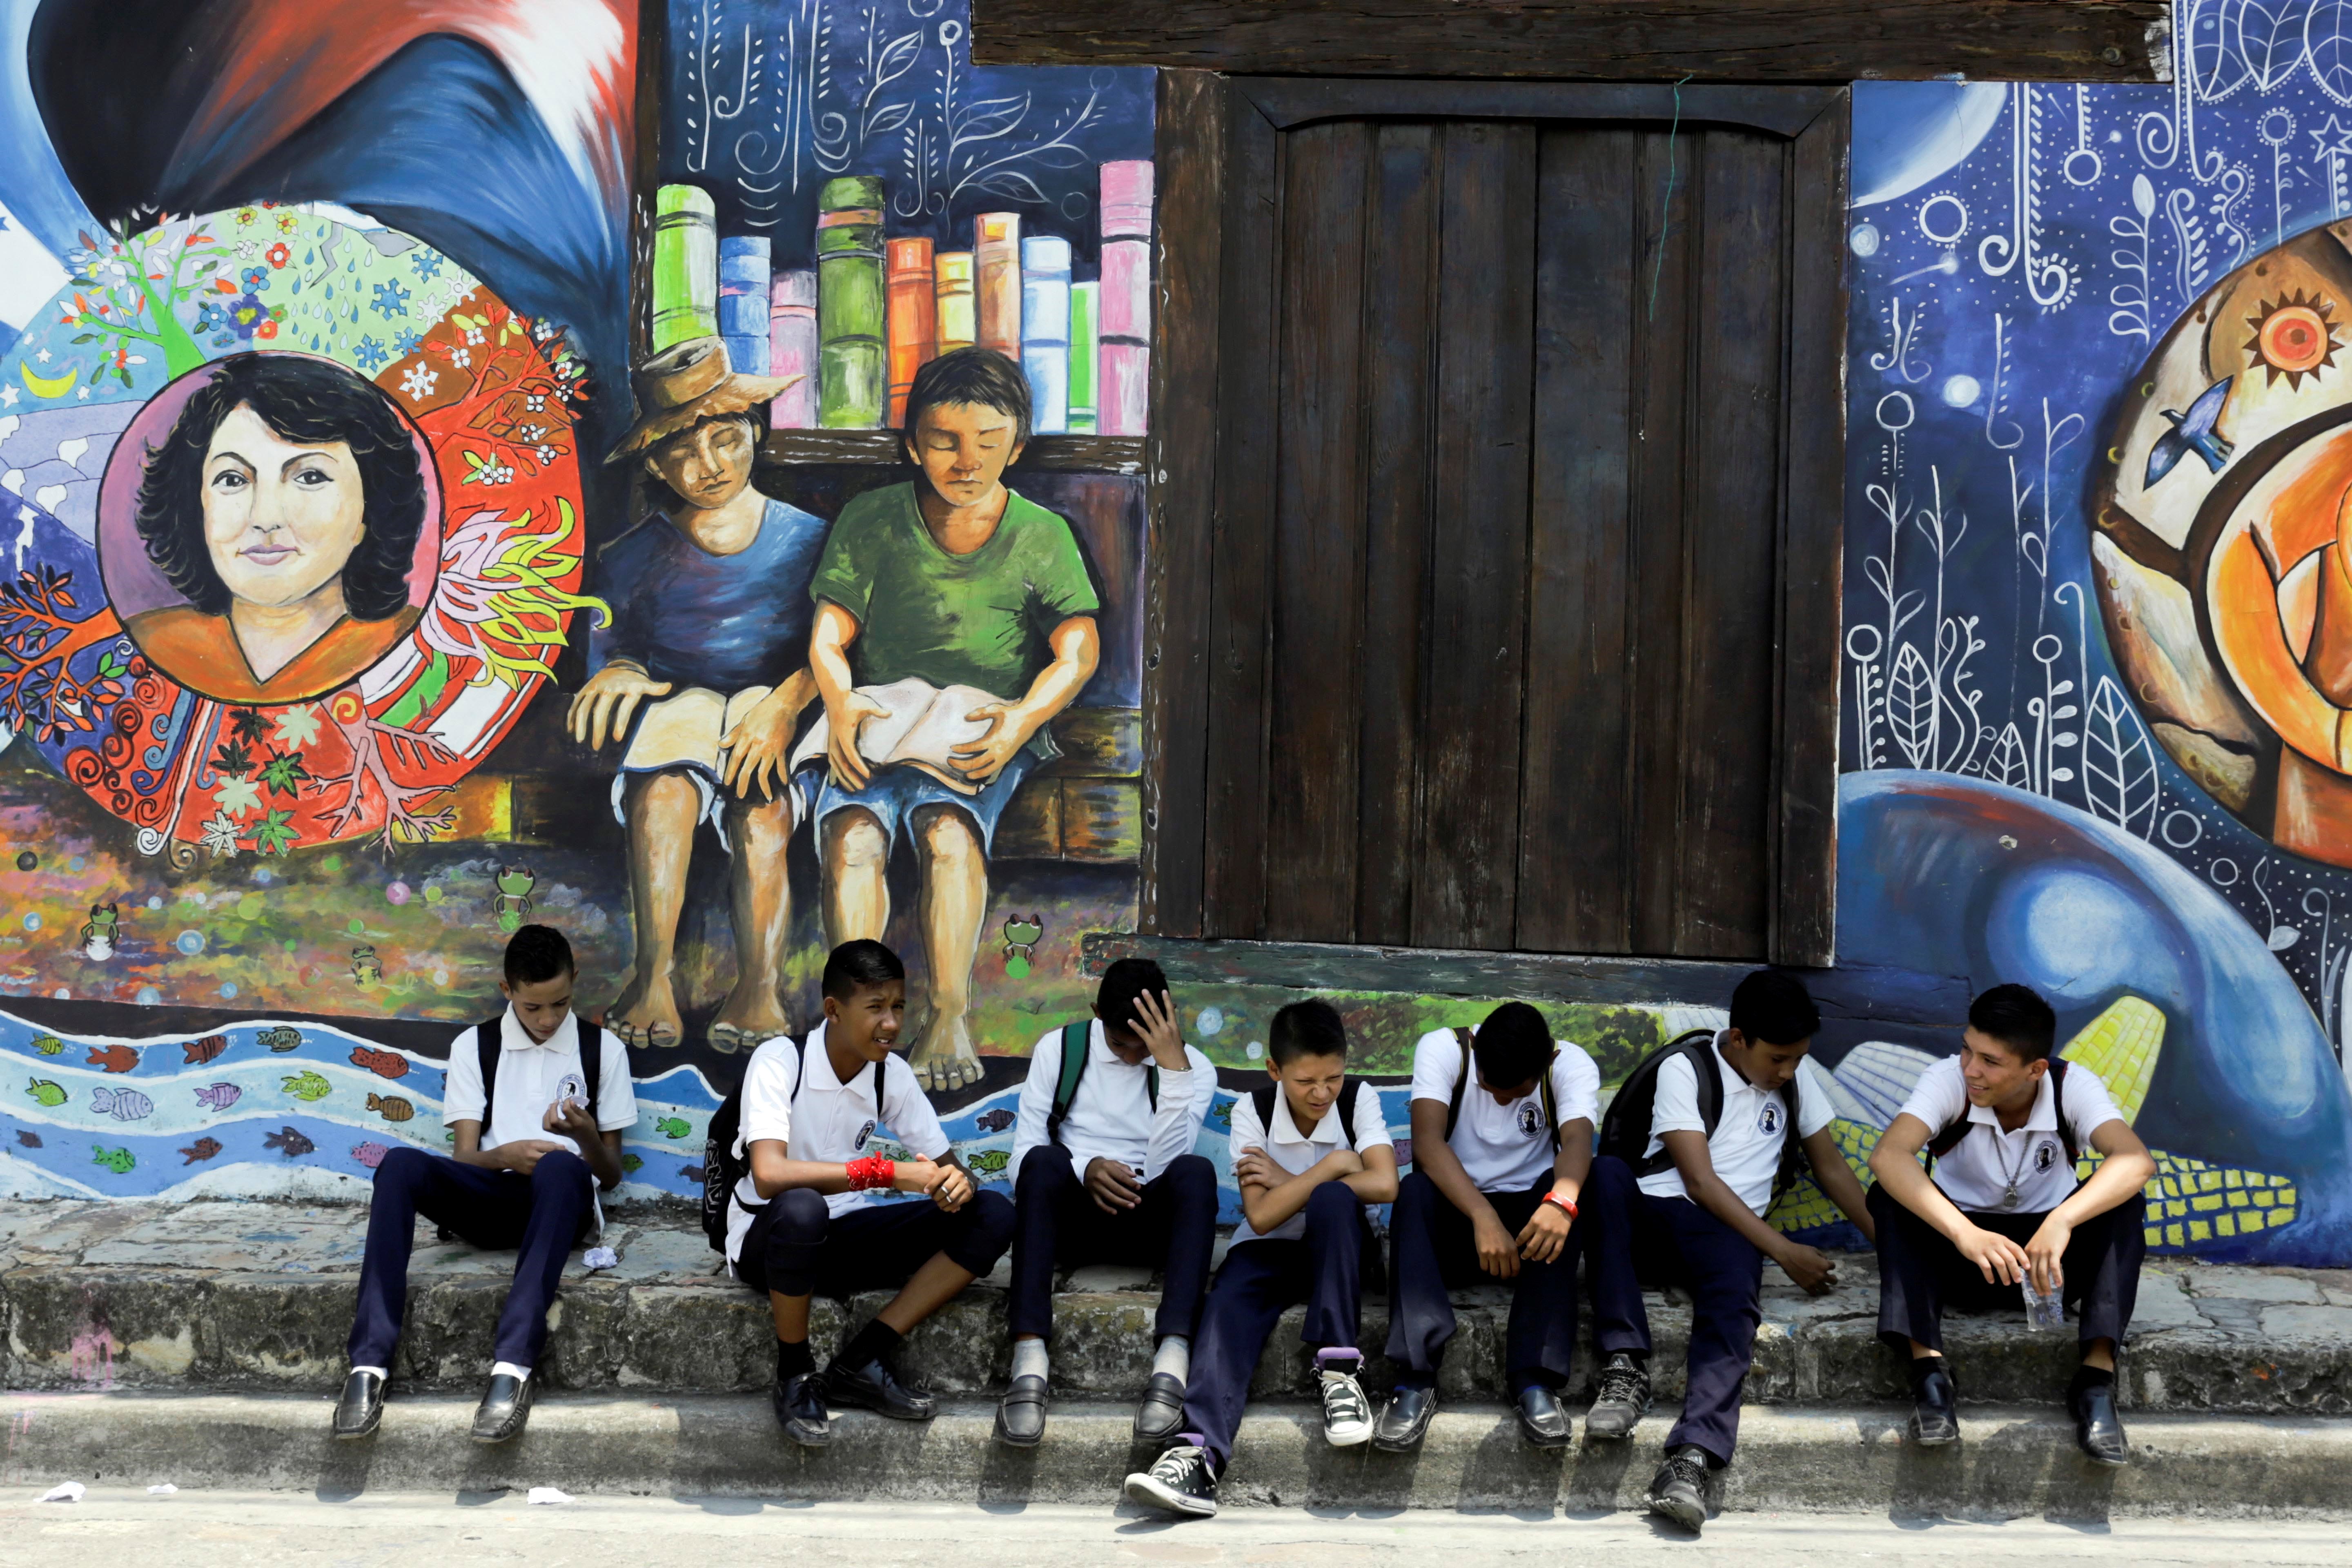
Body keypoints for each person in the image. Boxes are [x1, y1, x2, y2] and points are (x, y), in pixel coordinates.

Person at [802, 347, 1101, 1091]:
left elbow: (1078, 650)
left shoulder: (1041, 534)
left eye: (988, 442)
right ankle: (858, 1020)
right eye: (945, 442)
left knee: (946, 835)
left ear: (1018, 445)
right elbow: (830, 637)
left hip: (979, 726)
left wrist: (1022, 721)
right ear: (913, 446)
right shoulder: (871, 520)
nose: (966, 461)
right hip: (882, 720)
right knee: (853, 839)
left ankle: (948, 1015)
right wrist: (839, 703)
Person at [575, 336, 826, 1052]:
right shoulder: (633, 556)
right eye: (684, 451)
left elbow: (834, 650)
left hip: (778, 704)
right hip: (681, 707)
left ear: (757, 434)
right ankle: (654, 975)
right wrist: (619, 671)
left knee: (763, 796)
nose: (709, 466)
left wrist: (784, 705)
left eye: (727, 439)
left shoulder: (811, 541)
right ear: (654, 462)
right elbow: (614, 648)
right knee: (664, 787)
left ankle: (759, 987)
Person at [1581, 970, 1876, 1535]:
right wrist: (1785, 1252)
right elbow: (1698, 1181)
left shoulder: (1795, 1076)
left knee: (1734, 1306)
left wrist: (1892, 1248)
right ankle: (1625, 1365)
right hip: (1657, 1218)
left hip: (1727, 1234)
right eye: (1778, 1059)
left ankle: (1692, 1461)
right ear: (1739, 1039)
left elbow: (1832, 1167)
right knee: (1606, 1176)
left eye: (1798, 1059)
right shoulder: (1685, 1069)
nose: (1788, 1071)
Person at [333, 923, 634, 1444]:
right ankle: (368, 1365)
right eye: (533, 1007)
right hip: (490, 1197)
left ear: (575, 983)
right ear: (507, 992)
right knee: (400, 1165)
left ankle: (512, 1368)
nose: (547, 1019)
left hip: (561, 1204)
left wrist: (585, 1136)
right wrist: (506, 1157)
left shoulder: (603, 1050)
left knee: (563, 1166)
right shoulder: (476, 1046)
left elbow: (610, 1177)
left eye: (560, 1004)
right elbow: (466, 1158)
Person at [724, 939, 1015, 1448]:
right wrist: (884, 1173)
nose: (892, 1024)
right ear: (833, 1010)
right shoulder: (779, 1060)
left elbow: (952, 1170)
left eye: (899, 1007)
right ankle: (795, 1374)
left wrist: (954, 1186)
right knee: (801, 1207)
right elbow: (768, 1174)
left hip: (846, 1238)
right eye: (876, 1008)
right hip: (771, 1245)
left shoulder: (892, 1074)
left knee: (991, 1213)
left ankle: (859, 1362)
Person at [1123, 1000, 1398, 1520]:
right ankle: (1196, 1455)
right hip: (1266, 1251)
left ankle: (1340, 1373)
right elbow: (1263, 1217)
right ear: (1275, 1071)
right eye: (1305, 1082)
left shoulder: (1359, 1099)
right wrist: (1336, 1165)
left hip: (1338, 1253)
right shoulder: (1255, 1110)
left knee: (1335, 1202)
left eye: (1332, 1079)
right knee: (1225, 1305)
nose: (1322, 1094)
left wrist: (1294, 1183)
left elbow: (1385, 1184)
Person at [1865, 983, 2154, 1467]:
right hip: (1962, 1259)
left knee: (2124, 1204)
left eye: (1991, 1062)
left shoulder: (2071, 1086)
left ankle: (2096, 1382)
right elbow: (1888, 1156)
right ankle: (1929, 1374)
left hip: (2048, 1267)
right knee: (1890, 1198)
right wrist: (1964, 1233)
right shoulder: (1948, 1081)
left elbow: (2135, 1160)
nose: (1972, 1070)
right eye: (1967, 1050)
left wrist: (2063, 1220)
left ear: (2035, 1069)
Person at [997, 957, 1217, 1447]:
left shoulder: (1193, 1068)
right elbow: (1019, 1161)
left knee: (1197, 1173)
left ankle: (1173, 1361)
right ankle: (1029, 1361)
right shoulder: (1060, 1049)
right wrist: (1084, 1168)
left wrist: (1173, 1069)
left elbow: (1168, 1166)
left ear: (1168, 1016)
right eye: (1121, 1045)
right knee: (1042, 1161)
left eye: (1147, 1045)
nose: (1135, 1056)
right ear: (1097, 1014)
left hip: (1147, 1222)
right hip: (1074, 1222)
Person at [128, 351, 428, 703]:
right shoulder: (140, 654)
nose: (265, 517)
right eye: (232, 479)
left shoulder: (425, 649)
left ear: (369, 509)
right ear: (195, 506)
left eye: (310, 476)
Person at [1375, 1001, 1600, 1452]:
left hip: (1529, 1239)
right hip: (1460, 1223)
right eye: (1488, 1086)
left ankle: (1534, 1381)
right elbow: (1427, 1143)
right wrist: (1482, 1216)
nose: (1498, 1098)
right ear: (1476, 1046)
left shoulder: (1570, 1064)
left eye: (1514, 1093)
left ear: (1547, 1064)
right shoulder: (1445, 1049)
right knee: (1416, 1191)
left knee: (1570, 1193)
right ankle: (1416, 1378)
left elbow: (1578, 1142)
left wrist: (1561, 1201)